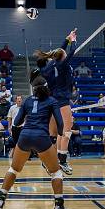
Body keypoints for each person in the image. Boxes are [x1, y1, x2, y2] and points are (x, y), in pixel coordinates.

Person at [0, 75, 70, 209]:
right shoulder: (52, 101)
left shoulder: (27, 101)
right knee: (56, 172)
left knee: (14, 169)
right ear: (47, 87)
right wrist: (59, 134)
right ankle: (59, 206)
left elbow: (16, 122)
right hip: (41, 138)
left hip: (25, 137)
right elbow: (60, 123)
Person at [32, 29, 77, 175]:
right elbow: (71, 52)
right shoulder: (63, 64)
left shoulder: (47, 68)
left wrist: (67, 39)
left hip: (51, 100)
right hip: (62, 100)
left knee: (53, 133)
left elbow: (61, 51)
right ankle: (62, 160)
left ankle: (48, 161)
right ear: (62, 57)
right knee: (67, 130)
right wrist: (73, 40)